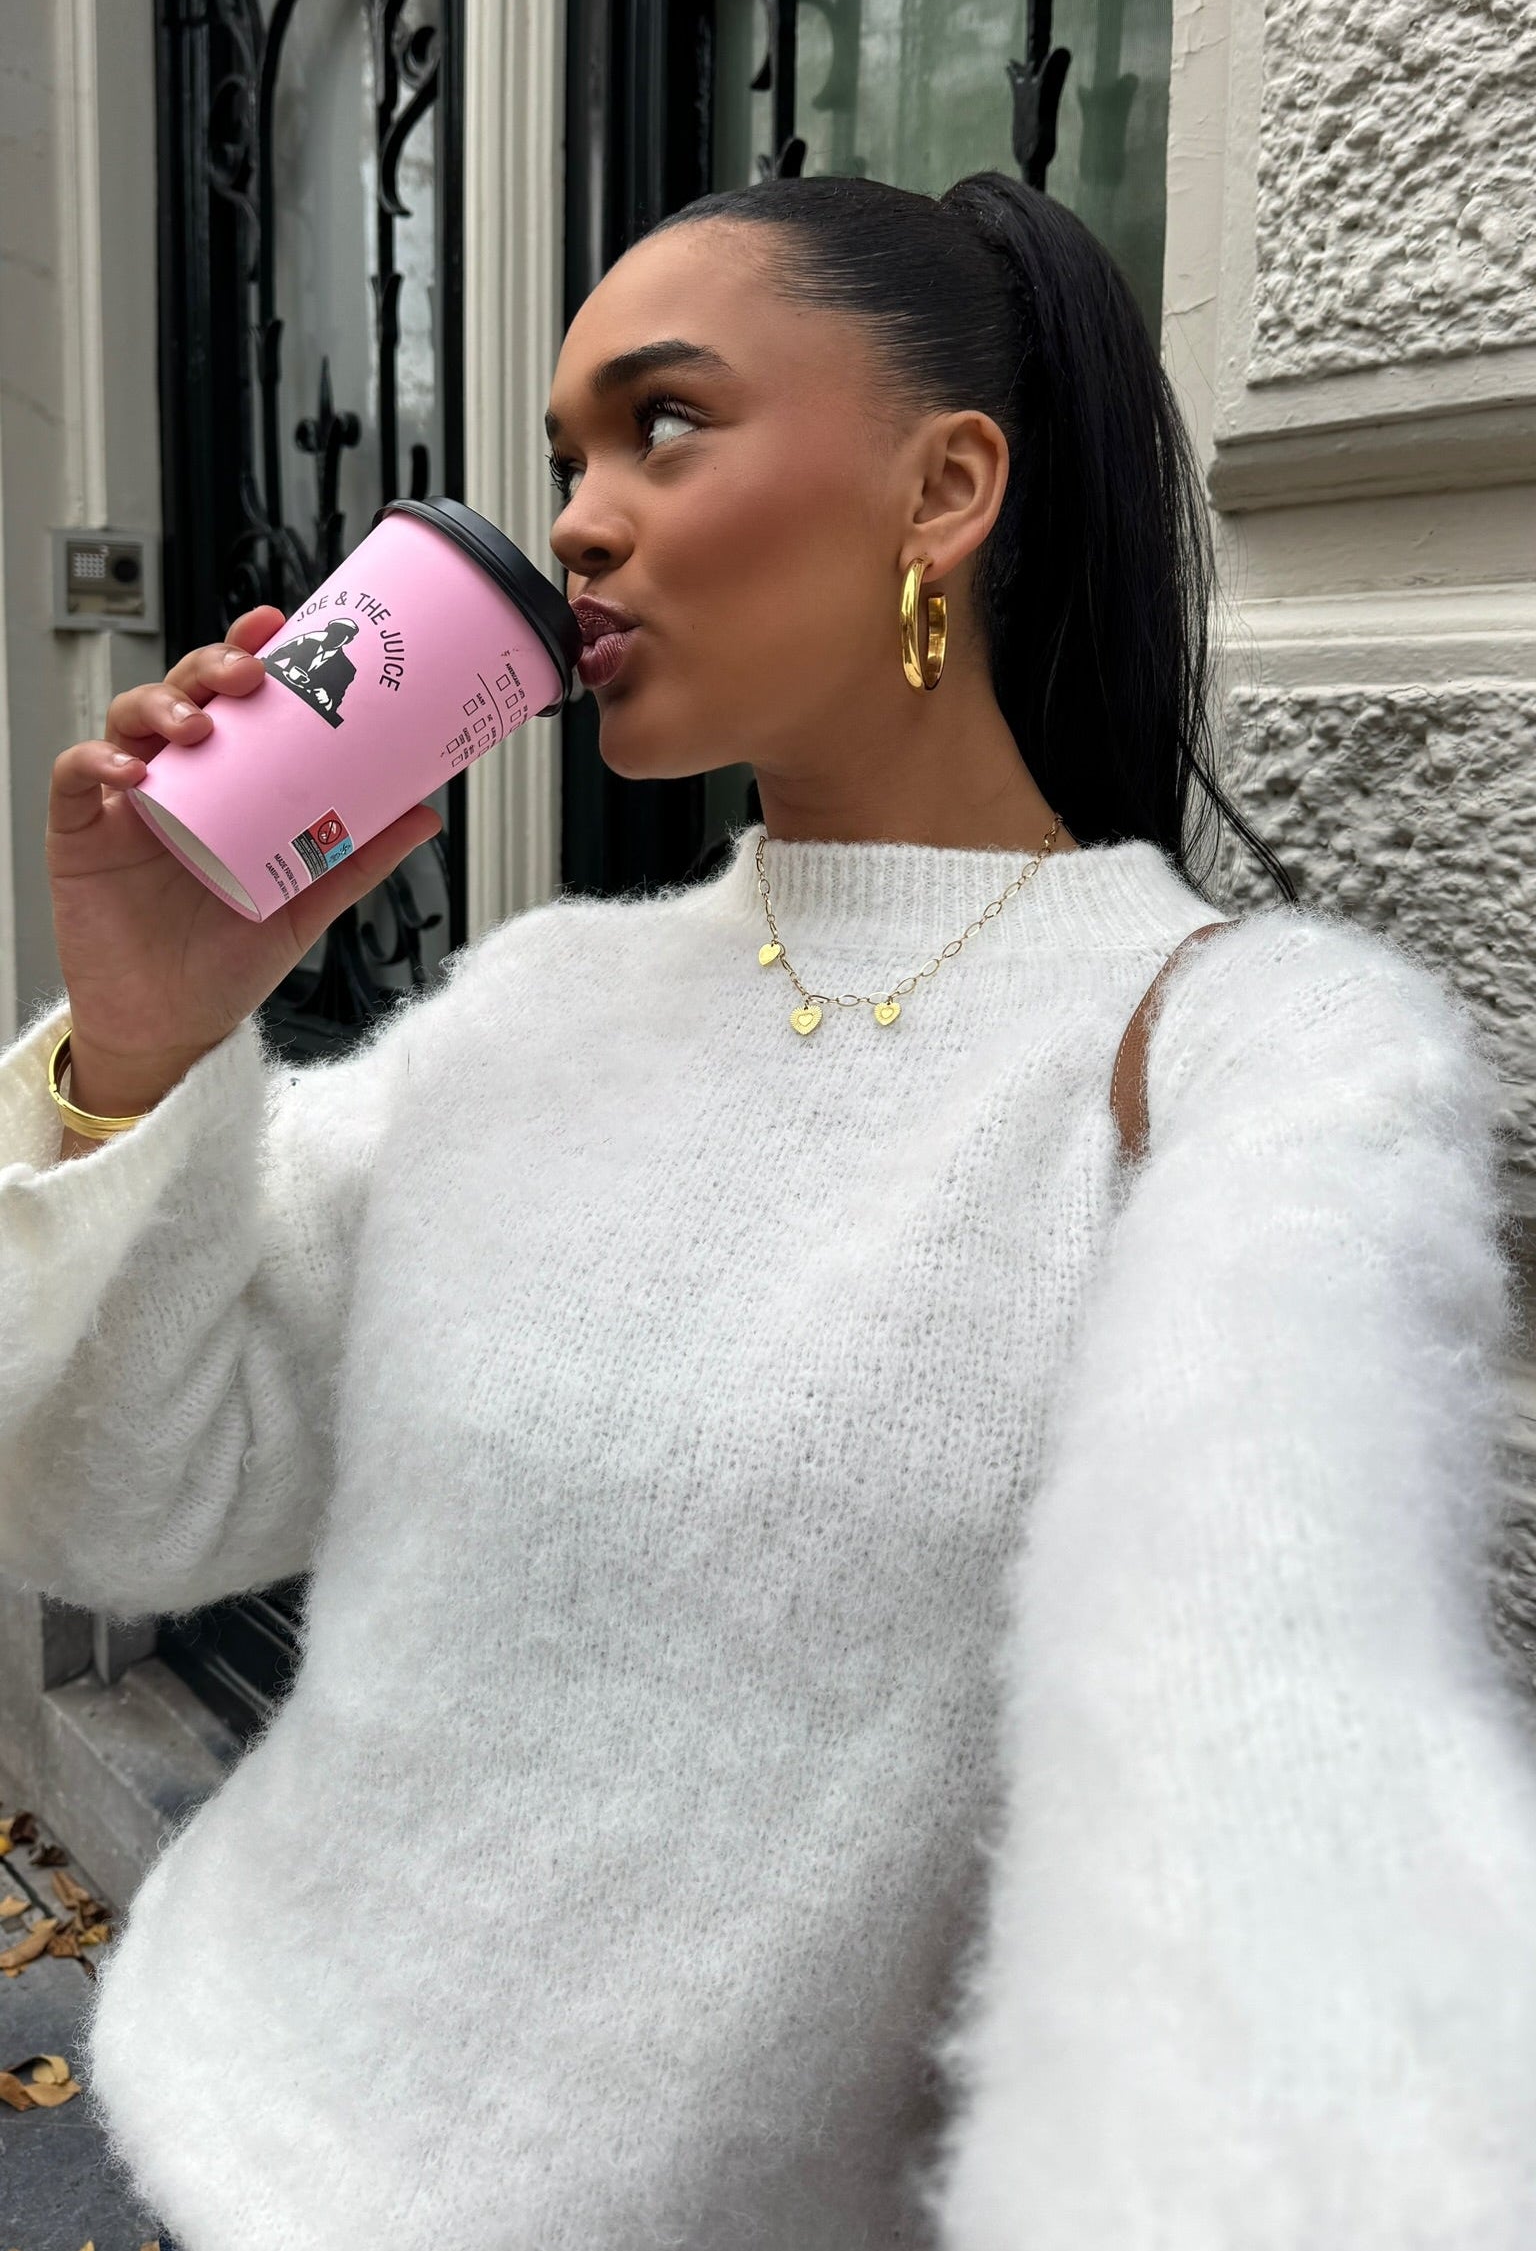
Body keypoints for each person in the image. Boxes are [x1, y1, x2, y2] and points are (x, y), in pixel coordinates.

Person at [2, 171, 1535, 2249]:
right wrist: (145, 1039)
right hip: (204, 2114)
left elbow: (1279, 1811)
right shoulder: (537, 1006)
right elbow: (124, 1511)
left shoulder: (1250, 1073)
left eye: (665, 423)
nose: (576, 523)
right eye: (568, 459)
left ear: (946, 487)